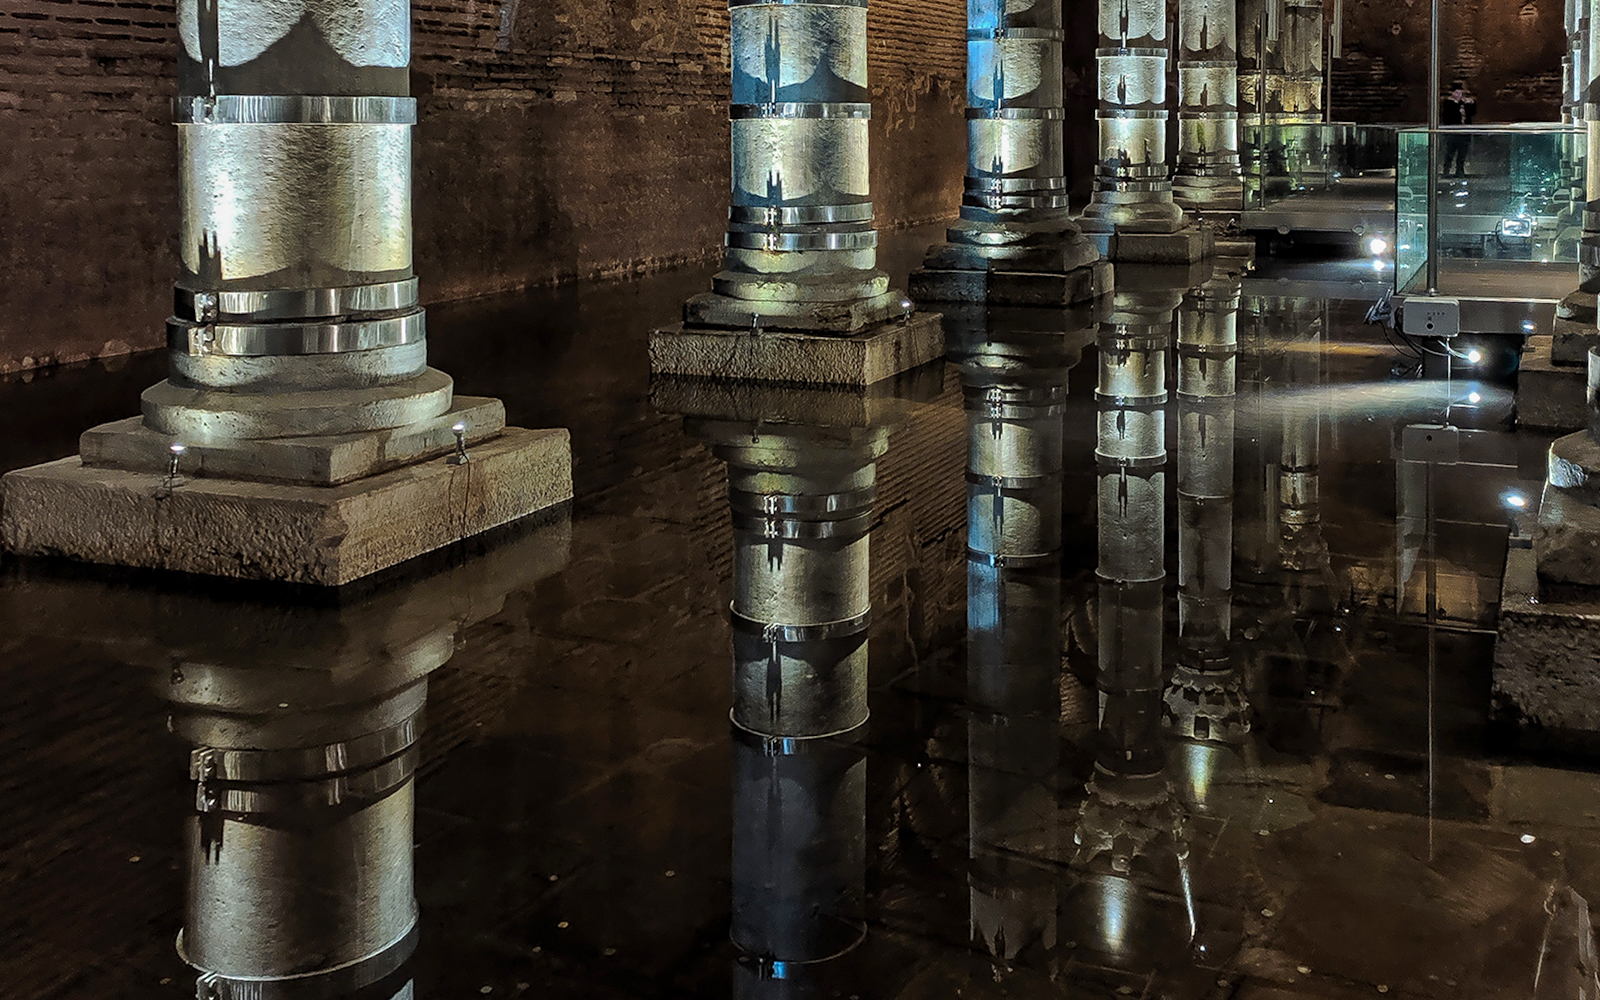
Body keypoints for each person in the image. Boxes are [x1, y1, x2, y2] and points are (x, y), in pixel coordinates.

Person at [1440, 80, 1477, 177]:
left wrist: (1471, 103)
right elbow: (1449, 116)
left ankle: (1459, 170)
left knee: (1462, 153)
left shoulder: (1463, 103)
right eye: (1457, 93)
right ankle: (1446, 170)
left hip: (1464, 132)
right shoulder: (1448, 103)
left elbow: (1472, 113)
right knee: (1450, 152)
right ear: (1453, 93)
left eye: (1460, 93)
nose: (1459, 95)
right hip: (1452, 132)